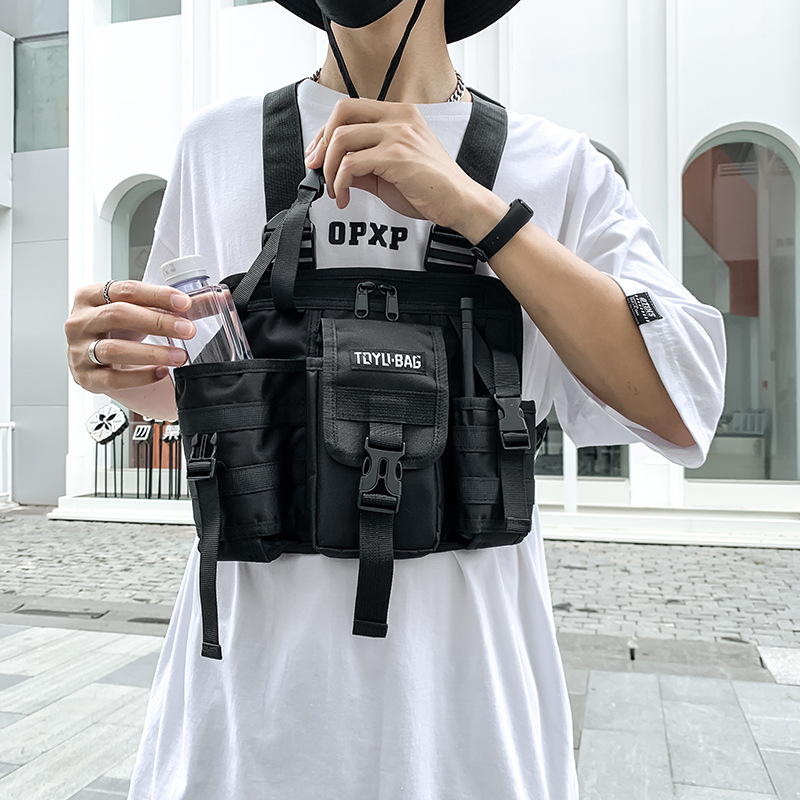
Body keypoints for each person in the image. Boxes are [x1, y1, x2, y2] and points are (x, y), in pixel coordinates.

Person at [65, 0, 725, 797]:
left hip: (464, 729)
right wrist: (119, 368)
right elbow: (197, 392)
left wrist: (478, 212)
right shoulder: (217, 146)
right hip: (241, 725)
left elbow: (683, 405)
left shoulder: (559, 166)